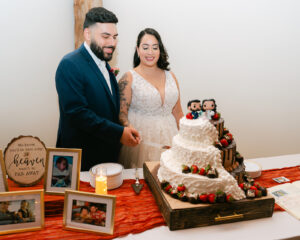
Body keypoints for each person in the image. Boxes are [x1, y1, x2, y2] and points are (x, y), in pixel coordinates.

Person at [55, 7, 140, 171]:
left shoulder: (104, 64)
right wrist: (118, 133)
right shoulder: (70, 64)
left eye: (115, 37)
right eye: (105, 36)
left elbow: (106, 108)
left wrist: (124, 127)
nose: (112, 43)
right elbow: (78, 113)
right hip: (81, 162)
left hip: (105, 159)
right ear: (87, 34)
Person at [118, 28, 184, 168]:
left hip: (170, 138)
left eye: (155, 47)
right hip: (141, 142)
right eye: (145, 47)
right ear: (137, 49)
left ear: (160, 50)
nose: (150, 52)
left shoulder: (171, 76)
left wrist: (187, 138)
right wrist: (129, 130)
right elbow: (121, 113)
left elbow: (177, 112)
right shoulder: (129, 77)